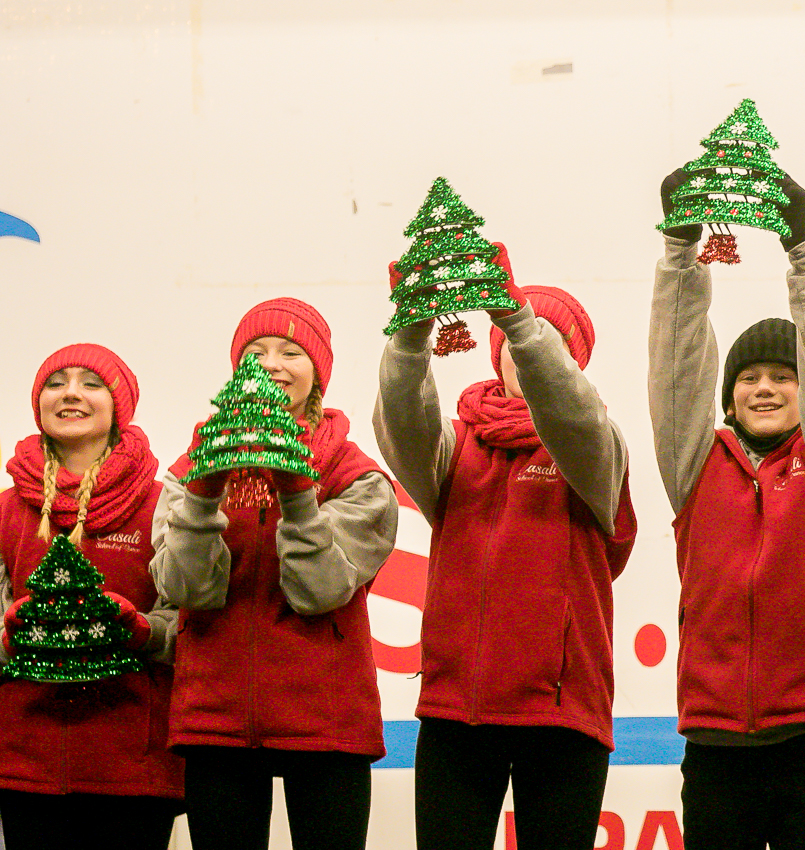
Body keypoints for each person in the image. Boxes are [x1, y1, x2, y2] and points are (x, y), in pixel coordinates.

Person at [374, 244, 636, 850]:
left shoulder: (596, 443)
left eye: (547, 342)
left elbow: (569, 415)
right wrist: (410, 335)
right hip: (455, 711)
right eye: (515, 342)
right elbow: (401, 423)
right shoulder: (455, 444)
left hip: (563, 715)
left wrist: (519, 320)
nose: (528, 352)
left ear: (572, 364)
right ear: (495, 357)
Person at [649, 169, 805, 850]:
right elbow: (677, 364)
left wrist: (803, 251)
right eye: (749, 377)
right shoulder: (694, 463)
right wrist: (679, 253)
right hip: (714, 741)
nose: (765, 388)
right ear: (729, 396)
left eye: (783, 376)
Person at [151, 298, 398, 850]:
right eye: (255, 352)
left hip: (327, 721)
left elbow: (320, 591)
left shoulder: (357, 477)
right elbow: (185, 589)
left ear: (318, 374)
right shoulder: (188, 469)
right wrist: (203, 493)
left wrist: (297, 494)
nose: (271, 364)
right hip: (214, 719)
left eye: (290, 352)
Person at [0, 344, 183, 850]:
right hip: (24, 762)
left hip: (134, 764)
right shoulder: (7, 509)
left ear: (119, 405)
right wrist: (13, 636)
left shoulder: (163, 503)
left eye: (91, 383)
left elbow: (190, 616)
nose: (71, 394)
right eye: (56, 383)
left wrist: (143, 630)